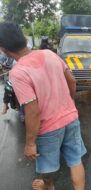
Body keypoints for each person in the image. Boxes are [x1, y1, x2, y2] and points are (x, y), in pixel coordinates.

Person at [0, 22, 86, 190]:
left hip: (48, 128)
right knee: (76, 161)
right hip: (71, 118)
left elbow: (32, 111)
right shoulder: (49, 54)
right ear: (24, 39)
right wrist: (70, 102)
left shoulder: (18, 72)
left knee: (47, 164)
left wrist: (30, 143)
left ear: (3, 49)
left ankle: (49, 186)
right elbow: (72, 81)